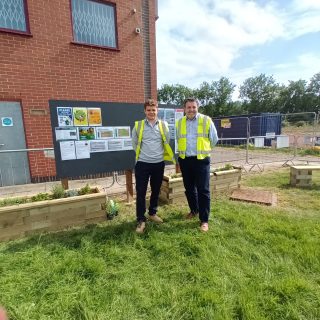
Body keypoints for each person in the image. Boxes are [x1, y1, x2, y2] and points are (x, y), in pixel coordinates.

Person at [132, 99, 175, 234]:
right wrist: (144, 155)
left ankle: (152, 213)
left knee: (156, 190)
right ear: (145, 111)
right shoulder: (138, 126)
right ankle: (140, 219)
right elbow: (134, 143)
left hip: (158, 163)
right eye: (149, 110)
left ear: (157, 111)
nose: (151, 112)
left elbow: (166, 141)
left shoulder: (163, 125)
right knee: (141, 192)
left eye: (154, 110)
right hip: (142, 164)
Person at [175, 98, 218, 232]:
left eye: (194, 107)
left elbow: (214, 139)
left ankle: (204, 220)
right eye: (189, 107)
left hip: (201, 160)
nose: (191, 109)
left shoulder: (206, 120)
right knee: (189, 189)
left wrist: (204, 151)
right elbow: (178, 138)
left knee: (203, 190)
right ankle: (194, 210)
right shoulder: (180, 122)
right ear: (184, 109)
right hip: (185, 159)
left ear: (197, 107)